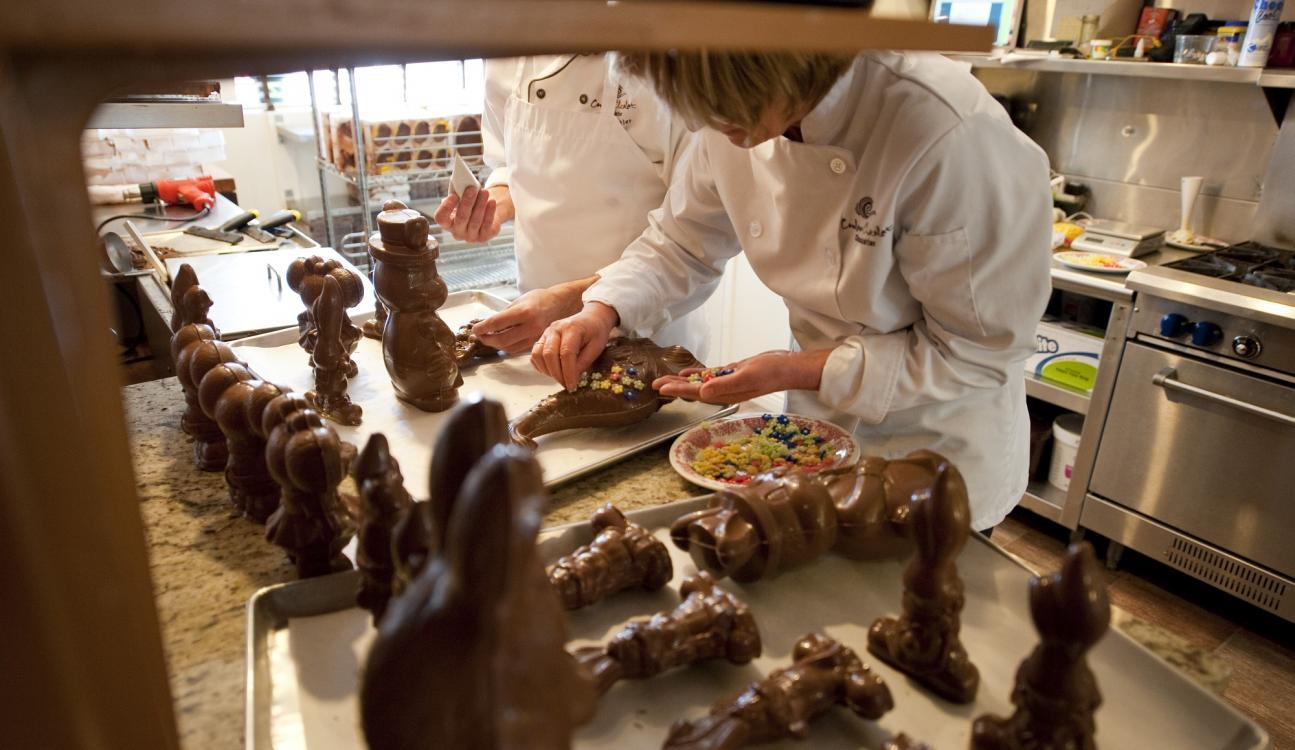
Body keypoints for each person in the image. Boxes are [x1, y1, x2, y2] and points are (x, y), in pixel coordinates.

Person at [531, 50, 1052, 531]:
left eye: (725, 108)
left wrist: (793, 368)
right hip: (818, 427)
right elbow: (680, 242)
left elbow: (979, 350)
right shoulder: (728, 112)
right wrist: (602, 310)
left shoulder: (950, 135)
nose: (705, 125)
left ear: (785, 67)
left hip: (937, 445)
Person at [434, 53, 715, 358]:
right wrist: (496, 201)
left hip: (647, 335)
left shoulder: (669, 68)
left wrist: (577, 301)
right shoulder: (507, 45)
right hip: (533, 329)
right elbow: (507, 159)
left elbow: (695, 239)